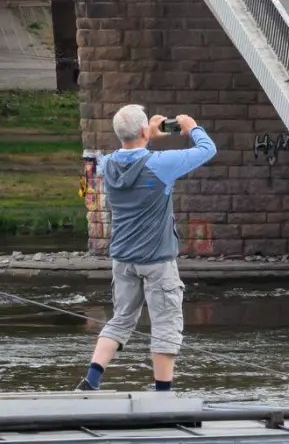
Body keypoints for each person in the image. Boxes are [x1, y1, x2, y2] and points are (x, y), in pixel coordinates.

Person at [78, 105, 216, 392]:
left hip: (123, 258)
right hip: (157, 259)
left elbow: (132, 157)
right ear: (143, 130)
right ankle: (162, 394)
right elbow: (207, 150)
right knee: (165, 323)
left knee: (121, 319)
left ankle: (91, 380)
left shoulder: (107, 165)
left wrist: (146, 137)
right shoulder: (160, 164)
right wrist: (192, 128)